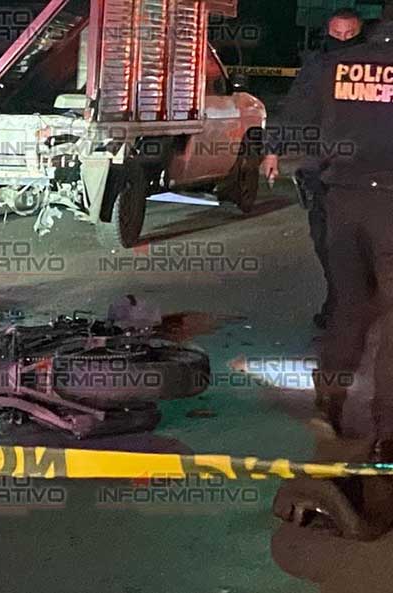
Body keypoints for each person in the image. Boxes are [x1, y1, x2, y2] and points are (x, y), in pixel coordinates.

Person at [264, 4, 393, 538]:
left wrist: (274, 150)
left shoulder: (331, 65)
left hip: (341, 200)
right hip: (389, 203)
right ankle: (387, 428)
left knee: (348, 307)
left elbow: (296, 112)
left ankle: (330, 404)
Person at [272, 9, 365, 330]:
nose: (342, 41)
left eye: (349, 35)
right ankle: (339, 301)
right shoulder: (317, 66)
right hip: (322, 170)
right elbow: (295, 108)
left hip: (364, 173)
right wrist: (273, 150)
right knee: (325, 241)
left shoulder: (373, 68)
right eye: (337, 35)